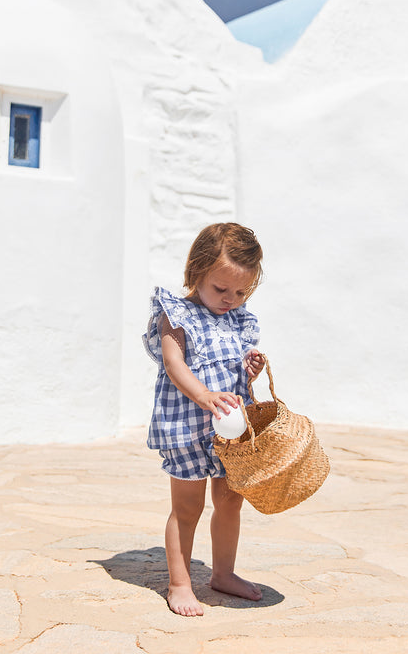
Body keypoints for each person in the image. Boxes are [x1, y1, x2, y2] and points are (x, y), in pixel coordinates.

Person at [143, 222, 266, 617]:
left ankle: (223, 574)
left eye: (241, 291)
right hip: (187, 427)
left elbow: (232, 370)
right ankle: (179, 583)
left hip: (229, 431)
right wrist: (204, 395)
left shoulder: (239, 320)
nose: (231, 298)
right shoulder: (176, 314)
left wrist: (249, 369)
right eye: (221, 289)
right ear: (196, 273)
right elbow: (173, 363)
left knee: (230, 502)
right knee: (188, 508)